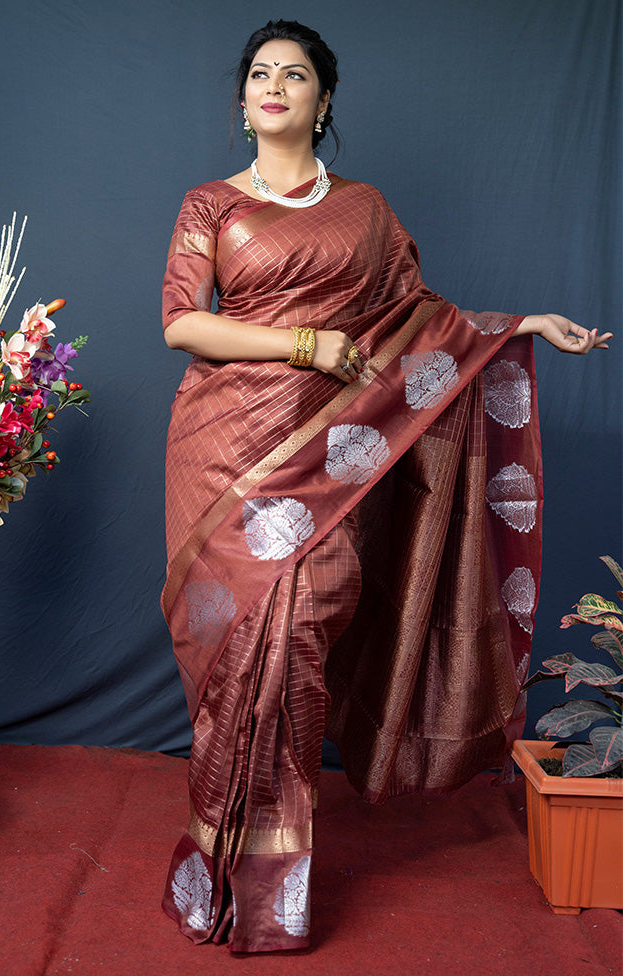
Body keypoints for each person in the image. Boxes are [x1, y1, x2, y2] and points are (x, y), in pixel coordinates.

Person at [159, 20, 611, 953]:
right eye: (258, 75)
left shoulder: (365, 210)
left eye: (295, 74)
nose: (274, 85)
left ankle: (269, 881)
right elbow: (181, 327)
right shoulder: (209, 203)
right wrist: (302, 343)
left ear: (325, 102)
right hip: (223, 445)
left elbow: (421, 321)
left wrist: (522, 322)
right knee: (238, 647)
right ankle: (216, 862)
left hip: (334, 454)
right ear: (240, 101)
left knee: (302, 626)